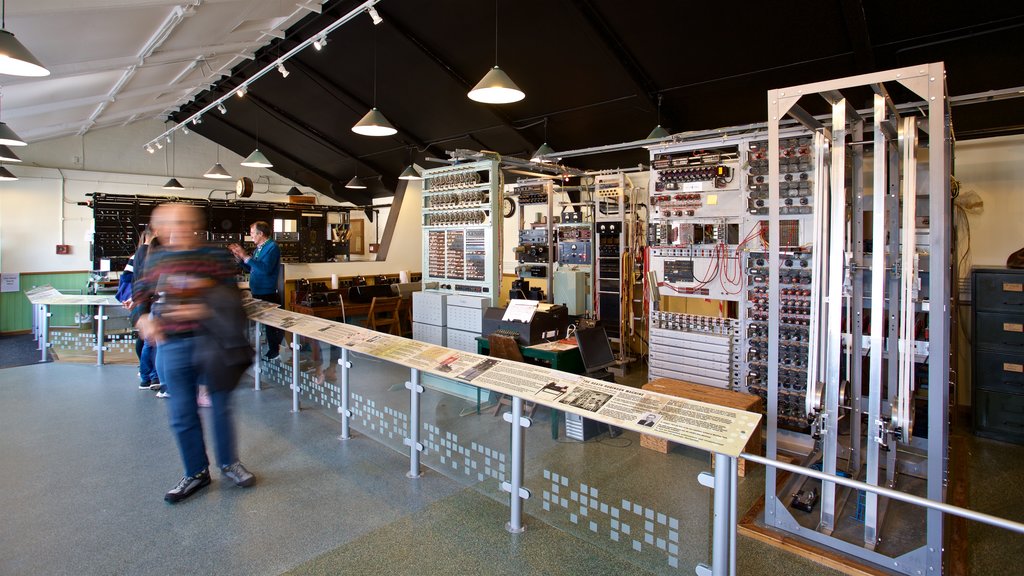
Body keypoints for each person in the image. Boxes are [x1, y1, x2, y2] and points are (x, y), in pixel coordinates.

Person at [134, 203, 255, 504]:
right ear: (159, 229)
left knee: (221, 406)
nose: (182, 228)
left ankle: (229, 463)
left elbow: (232, 298)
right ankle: (196, 472)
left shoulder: (214, 256)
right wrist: (142, 316)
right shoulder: (155, 259)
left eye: (187, 222)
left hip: (211, 342)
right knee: (182, 412)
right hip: (172, 344)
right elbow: (140, 294)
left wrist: (204, 307)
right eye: (173, 223)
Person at [229, 221, 282, 360]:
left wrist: (246, 256)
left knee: (271, 325)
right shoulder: (259, 248)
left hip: (268, 292)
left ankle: (274, 351)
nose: (250, 235)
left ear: (261, 234)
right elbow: (253, 268)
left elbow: (265, 269)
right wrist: (240, 259)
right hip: (257, 290)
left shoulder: (272, 247)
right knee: (263, 323)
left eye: (252, 233)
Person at [117, 227, 161, 393]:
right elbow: (129, 281)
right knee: (148, 341)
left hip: (144, 301)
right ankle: (150, 375)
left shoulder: (147, 255)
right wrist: (131, 298)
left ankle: (148, 375)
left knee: (148, 341)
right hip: (144, 302)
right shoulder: (141, 256)